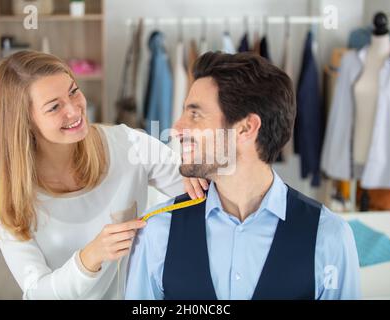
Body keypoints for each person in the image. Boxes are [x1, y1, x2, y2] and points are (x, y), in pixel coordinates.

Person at [125, 52, 361, 300]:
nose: (176, 128)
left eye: (195, 114)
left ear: (246, 128)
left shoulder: (329, 237)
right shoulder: (158, 231)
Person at [0, 50, 207, 299]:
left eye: (74, 92)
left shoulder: (129, 145)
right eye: (54, 107)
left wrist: (200, 171)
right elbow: (36, 292)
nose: (75, 111)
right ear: (25, 122)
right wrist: (92, 256)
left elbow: (213, 196)